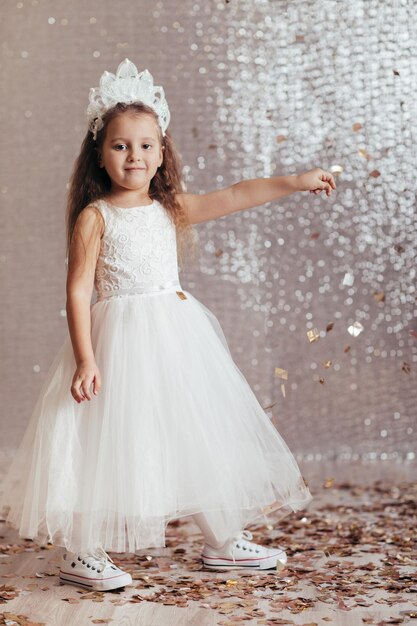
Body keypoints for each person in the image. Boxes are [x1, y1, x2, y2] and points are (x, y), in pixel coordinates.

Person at [0, 59, 336, 592]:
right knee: (105, 440)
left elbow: (234, 195)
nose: (134, 155)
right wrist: (87, 358)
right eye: (120, 145)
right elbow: (78, 289)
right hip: (117, 343)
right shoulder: (97, 216)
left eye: (146, 145)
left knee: (190, 431)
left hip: (175, 337)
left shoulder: (168, 207)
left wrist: (294, 182)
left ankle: (222, 540)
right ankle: (82, 550)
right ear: (100, 153)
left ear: (162, 152)